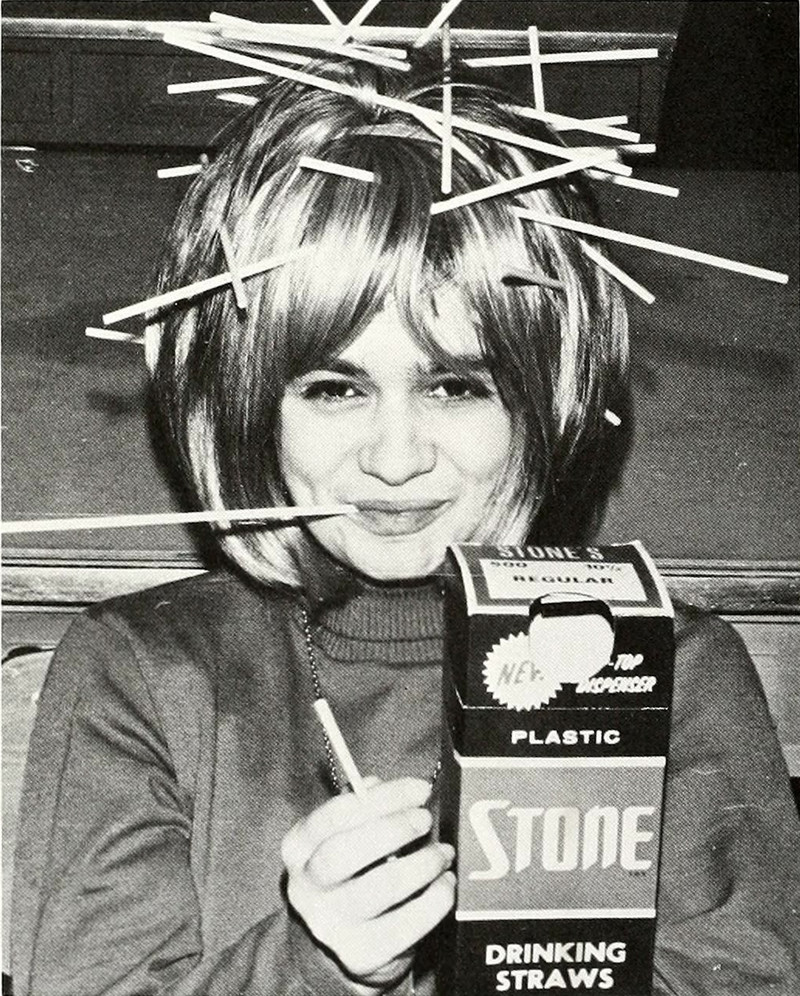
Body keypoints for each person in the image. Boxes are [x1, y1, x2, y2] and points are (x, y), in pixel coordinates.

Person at [10, 56, 800, 996]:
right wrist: (316, 967)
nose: (395, 459)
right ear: (247, 405)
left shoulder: (673, 669)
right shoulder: (144, 672)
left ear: (547, 398)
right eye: (334, 388)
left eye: (455, 386)